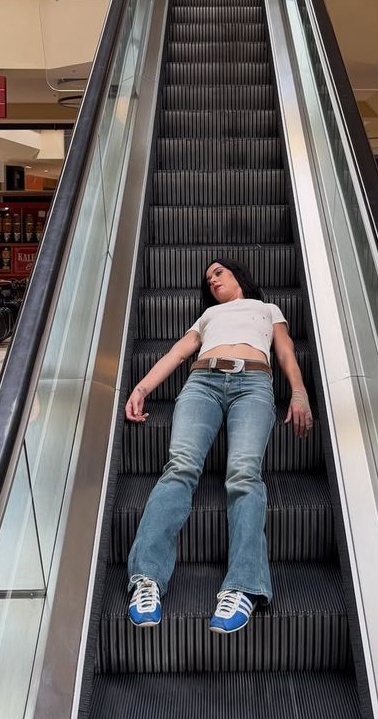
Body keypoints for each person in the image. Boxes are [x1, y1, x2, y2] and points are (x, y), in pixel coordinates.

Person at [125, 258, 313, 634]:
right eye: (208, 278)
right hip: (202, 383)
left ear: (237, 276)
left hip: (254, 383)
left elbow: (286, 352)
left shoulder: (267, 309)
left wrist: (299, 392)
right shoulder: (208, 317)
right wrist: (142, 388)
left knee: (244, 473)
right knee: (179, 467)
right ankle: (146, 579)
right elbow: (178, 353)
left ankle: (244, 585)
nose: (212, 280)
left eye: (218, 273)